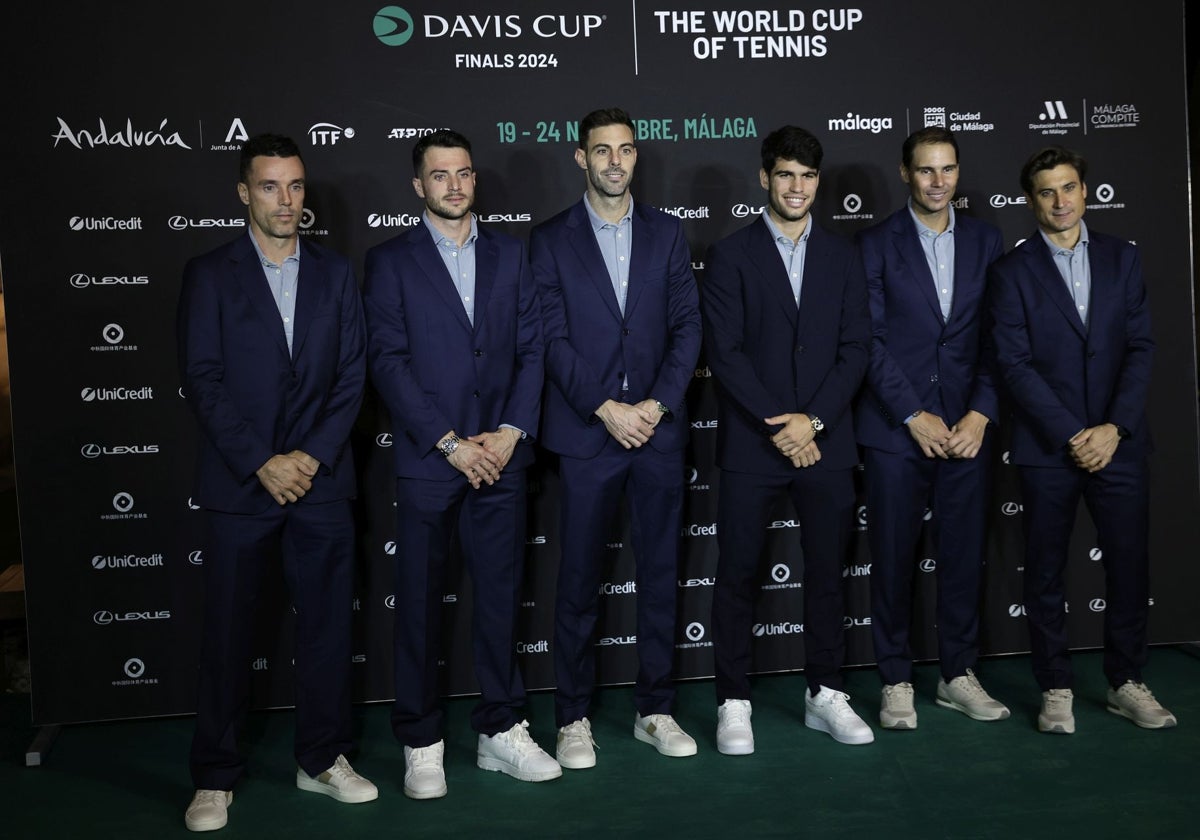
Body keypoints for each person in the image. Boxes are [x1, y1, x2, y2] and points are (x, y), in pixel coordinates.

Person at [177, 134, 376, 832]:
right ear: (243, 192)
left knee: (325, 631)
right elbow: (202, 379)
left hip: (321, 484)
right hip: (242, 485)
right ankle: (214, 775)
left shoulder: (334, 272)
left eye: (294, 187)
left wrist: (311, 457)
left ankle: (323, 758)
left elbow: (353, 375)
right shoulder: (210, 273)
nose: (286, 200)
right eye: (270, 187)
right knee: (229, 633)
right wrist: (263, 460)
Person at [363, 130, 558, 796]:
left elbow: (533, 350)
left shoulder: (511, 253)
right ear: (418, 186)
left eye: (464, 173)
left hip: (502, 458)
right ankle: (421, 738)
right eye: (439, 175)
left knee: (500, 601)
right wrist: (449, 443)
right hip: (430, 461)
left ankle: (499, 729)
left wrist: (508, 433)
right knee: (418, 604)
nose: (453, 185)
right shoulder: (389, 262)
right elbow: (386, 362)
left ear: (476, 181)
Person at [530, 107, 702, 768]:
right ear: (581, 158)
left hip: (657, 434)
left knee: (661, 577)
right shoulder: (550, 241)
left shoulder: (667, 233)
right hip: (587, 434)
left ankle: (654, 710)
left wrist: (654, 405)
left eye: (624, 151)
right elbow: (551, 338)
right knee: (578, 581)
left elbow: (687, 328)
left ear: (636, 158)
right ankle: (572, 716)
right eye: (601, 151)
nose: (613, 162)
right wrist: (606, 408)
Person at [989, 145, 1175, 734]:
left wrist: (1113, 429)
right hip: (1050, 447)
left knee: (1129, 567)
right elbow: (1014, 365)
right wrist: (1074, 432)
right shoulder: (1011, 272)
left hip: (1120, 442)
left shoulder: (1123, 259)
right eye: (1046, 191)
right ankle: (1056, 687)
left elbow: (1141, 347)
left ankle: (1127, 681)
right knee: (1044, 569)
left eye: (1068, 188)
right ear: (1030, 201)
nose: (1059, 201)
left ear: (1085, 191)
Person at [701, 125, 873, 753]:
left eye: (807, 177)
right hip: (754, 442)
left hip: (827, 442)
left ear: (817, 183)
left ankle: (824, 691)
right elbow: (727, 352)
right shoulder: (730, 255)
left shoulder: (843, 254)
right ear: (764, 178)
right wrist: (783, 424)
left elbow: (857, 349)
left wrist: (814, 423)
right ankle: (733, 699)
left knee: (827, 573)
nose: (796, 187)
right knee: (739, 574)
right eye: (785, 175)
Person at [855, 127, 1009, 729]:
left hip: (969, 427)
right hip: (897, 428)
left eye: (947, 170)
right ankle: (895, 678)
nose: (938, 181)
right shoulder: (874, 243)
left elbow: (1003, 335)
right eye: (926, 170)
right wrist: (912, 412)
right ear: (905, 173)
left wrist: (981, 412)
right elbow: (867, 339)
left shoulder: (987, 239)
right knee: (892, 557)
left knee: (964, 554)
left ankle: (957, 674)